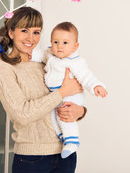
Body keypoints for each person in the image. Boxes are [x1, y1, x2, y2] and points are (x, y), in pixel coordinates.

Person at [0, 7, 86, 173]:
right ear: (11, 32)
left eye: (36, 32)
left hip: (65, 155)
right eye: (24, 30)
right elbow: (21, 114)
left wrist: (80, 111)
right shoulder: (3, 68)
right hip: (32, 159)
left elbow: (70, 97)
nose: (31, 38)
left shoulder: (47, 62)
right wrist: (62, 92)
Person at [31, 21, 108, 159]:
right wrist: (29, 55)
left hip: (72, 96)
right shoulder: (49, 54)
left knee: (64, 116)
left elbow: (86, 76)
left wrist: (96, 86)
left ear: (75, 46)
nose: (59, 46)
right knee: (53, 116)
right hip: (57, 94)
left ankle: (72, 141)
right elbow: (38, 55)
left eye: (65, 43)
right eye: (55, 42)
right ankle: (62, 136)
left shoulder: (75, 61)